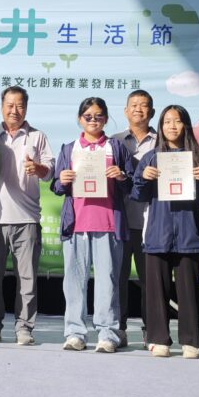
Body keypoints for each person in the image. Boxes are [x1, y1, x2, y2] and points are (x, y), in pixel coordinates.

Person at [131, 105, 199, 359]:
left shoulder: (197, 158)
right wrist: (143, 178)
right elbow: (137, 195)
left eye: (177, 121)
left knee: (189, 291)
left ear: (186, 125)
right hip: (157, 234)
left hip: (189, 234)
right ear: (161, 127)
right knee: (156, 291)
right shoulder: (151, 158)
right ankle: (158, 339)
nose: (172, 126)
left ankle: (190, 341)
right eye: (167, 121)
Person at [51, 97, 134, 353]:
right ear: (80, 119)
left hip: (108, 223)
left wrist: (121, 176)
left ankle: (107, 333)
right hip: (76, 224)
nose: (93, 120)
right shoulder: (69, 148)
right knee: (74, 282)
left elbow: (132, 186)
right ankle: (75, 333)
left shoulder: (115, 147)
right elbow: (56, 186)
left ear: (106, 119)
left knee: (107, 282)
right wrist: (62, 180)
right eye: (88, 116)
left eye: (98, 116)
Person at [0, 86, 55, 345]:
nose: (15, 110)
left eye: (20, 105)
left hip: (27, 220)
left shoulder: (38, 136)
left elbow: (50, 172)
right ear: (2, 106)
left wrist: (38, 168)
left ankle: (24, 327)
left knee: (28, 279)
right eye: (10, 105)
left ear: (26, 108)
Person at [112, 90, 156, 347]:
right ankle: (118, 329)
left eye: (144, 105)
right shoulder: (113, 142)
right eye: (134, 105)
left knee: (151, 282)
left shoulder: (163, 143)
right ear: (126, 111)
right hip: (119, 222)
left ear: (152, 112)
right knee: (117, 280)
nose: (138, 109)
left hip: (152, 223)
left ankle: (153, 330)